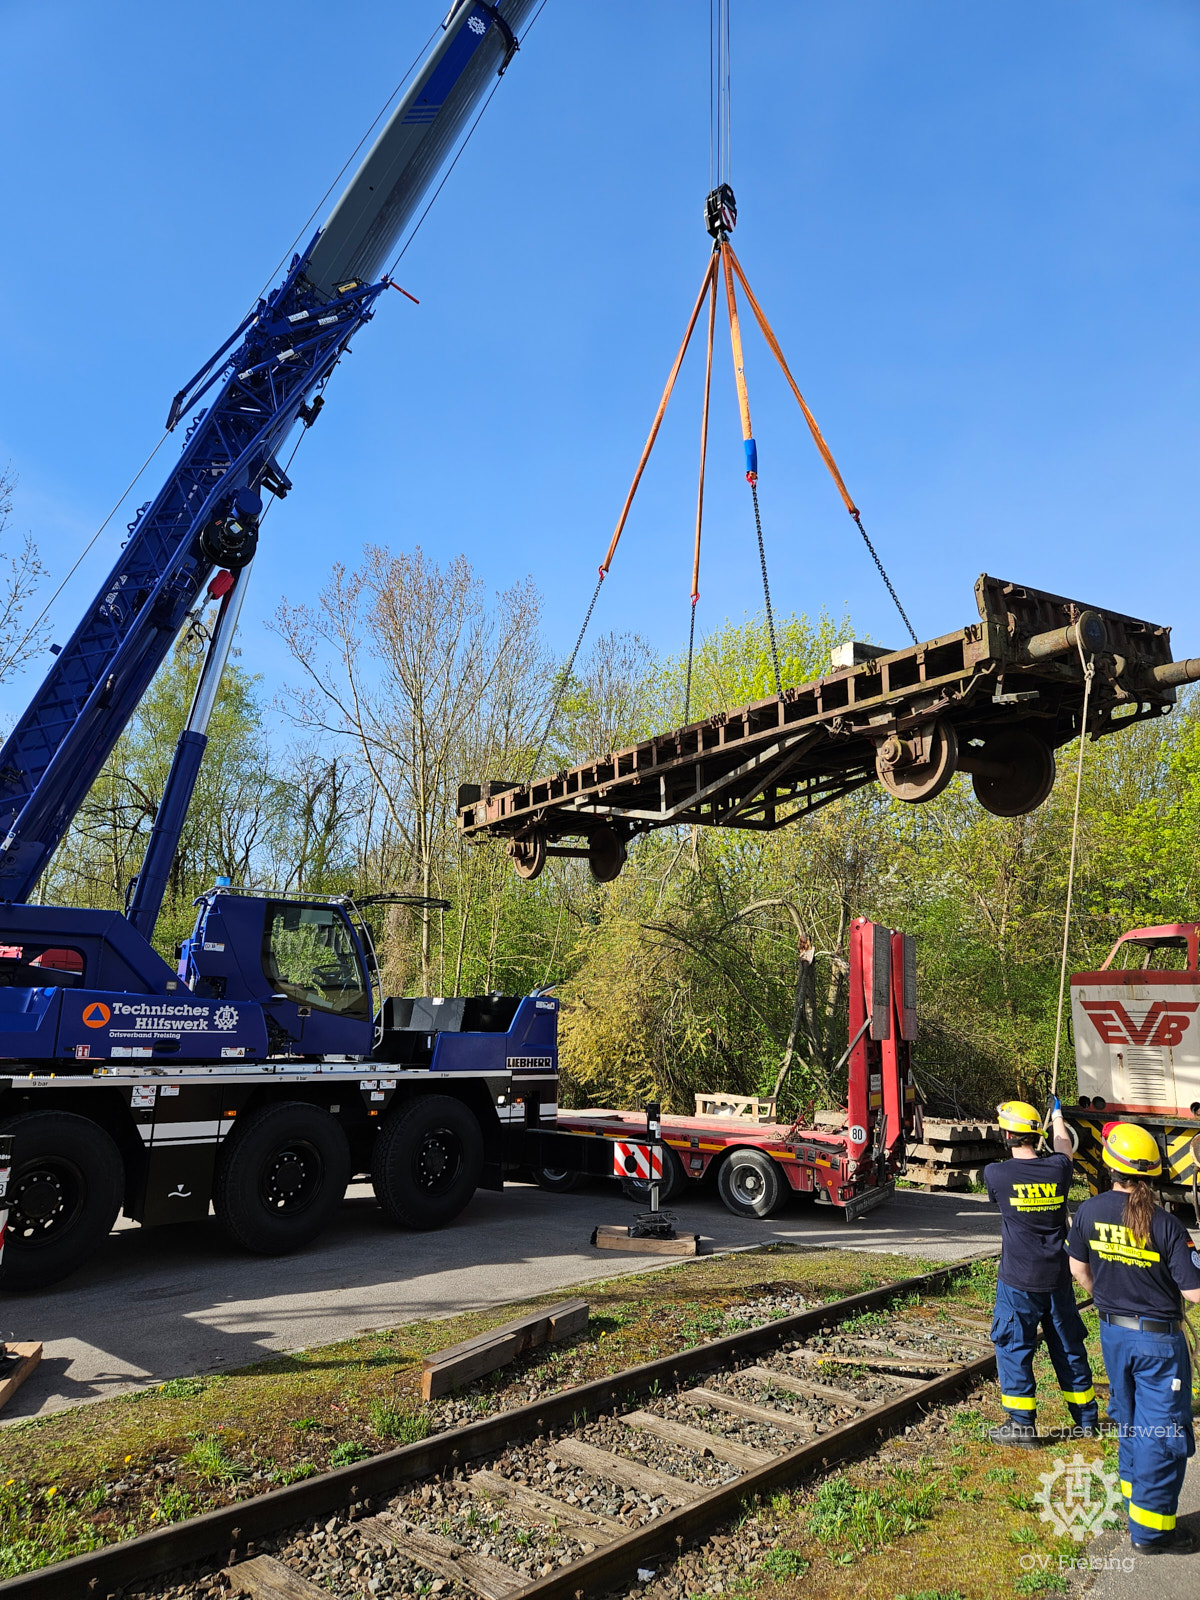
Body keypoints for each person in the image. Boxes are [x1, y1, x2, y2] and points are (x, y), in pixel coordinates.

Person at [1069, 1121, 1200, 1556]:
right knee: (1161, 1431)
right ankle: (1150, 1531)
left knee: (1129, 1418)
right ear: (1152, 1173)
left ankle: (1134, 1503)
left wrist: (1108, 1297)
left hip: (1114, 1334)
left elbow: (1078, 1270)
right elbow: (1194, 1292)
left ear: (1110, 1166)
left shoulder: (1088, 1212)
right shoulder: (1165, 1225)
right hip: (1159, 1344)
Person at [985, 1097, 1099, 1446]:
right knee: (1067, 1346)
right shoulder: (1058, 1170)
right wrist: (1059, 1115)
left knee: (1014, 1346)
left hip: (1018, 1281)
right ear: (1037, 1135)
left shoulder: (997, 1174)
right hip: (1057, 1278)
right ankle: (1086, 1420)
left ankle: (1021, 1426)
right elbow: (1065, 1148)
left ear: (1007, 1136)